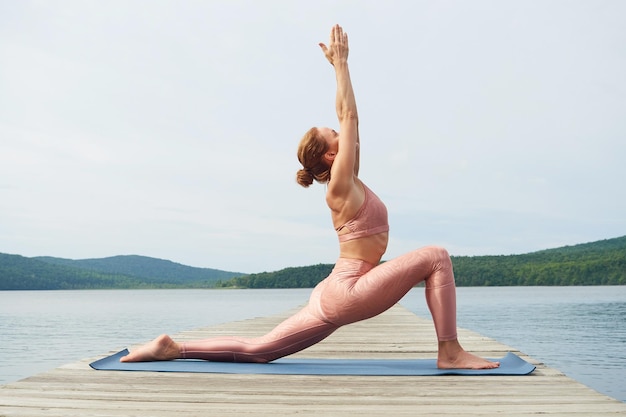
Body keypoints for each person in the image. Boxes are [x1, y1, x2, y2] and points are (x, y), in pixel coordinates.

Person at [121, 24, 499, 370]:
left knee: (261, 350)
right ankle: (449, 351)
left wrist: (337, 69)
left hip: (338, 289)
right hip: (349, 289)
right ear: (331, 155)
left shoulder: (348, 180)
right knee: (436, 256)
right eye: (334, 134)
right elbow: (349, 115)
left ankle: (172, 348)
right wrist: (341, 65)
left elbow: (348, 116)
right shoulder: (339, 186)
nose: (340, 129)